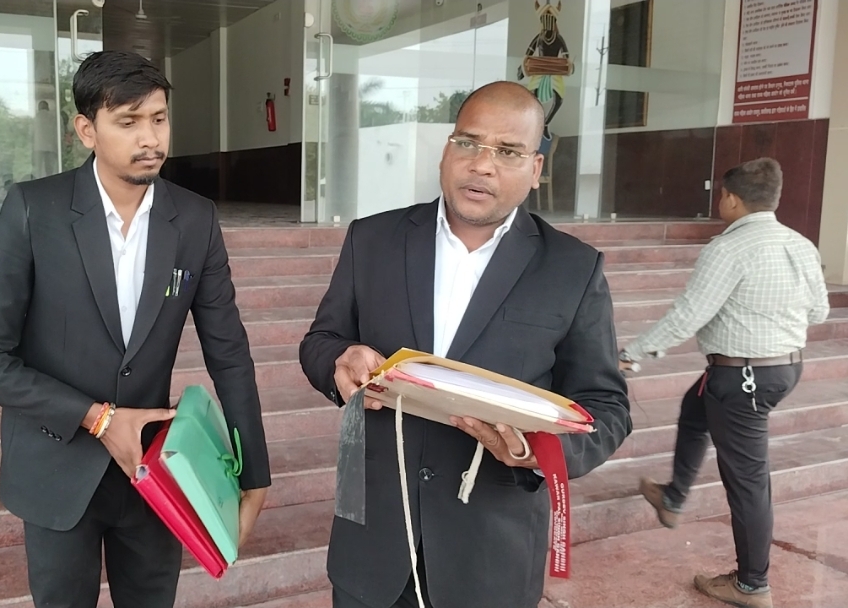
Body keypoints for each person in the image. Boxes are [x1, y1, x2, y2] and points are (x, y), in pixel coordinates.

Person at [0, 50, 270, 608]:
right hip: (55, 467)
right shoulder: (35, 209)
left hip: (156, 475)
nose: (150, 138)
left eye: (159, 118)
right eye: (128, 122)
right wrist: (97, 418)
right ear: (87, 130)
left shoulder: (195, 218)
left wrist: (254, 472)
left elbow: (229, 352)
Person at [299, 81, 632, 608]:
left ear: (536, 169)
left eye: (507, 151)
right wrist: (339, 361)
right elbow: (321, 340)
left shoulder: (572, 268)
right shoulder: (374, 239)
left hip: (490, 558)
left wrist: (534, 452)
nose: (482, 165)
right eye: (468, 142)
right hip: (374, 544)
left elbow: (607, 409)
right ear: (446, 149)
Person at [621, 157, 829, 608]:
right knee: (695, 407)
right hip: (781, 368)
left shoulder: (728, 249)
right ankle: (673, 497)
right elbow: (819, 311)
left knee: (749, 481)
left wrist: (631, 353)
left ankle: (752, 585)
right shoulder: (801, 244)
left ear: (732, 199)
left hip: (742, 378)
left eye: (721, 195)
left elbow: (688, 315)